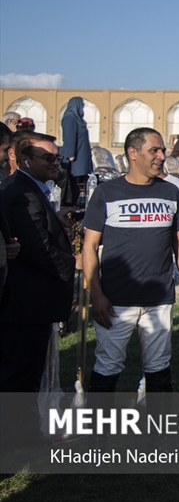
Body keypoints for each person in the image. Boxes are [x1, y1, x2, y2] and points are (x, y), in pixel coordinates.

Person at [82, 127, 179, 407]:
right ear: (132, 153)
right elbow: (88, 248)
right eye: (154, 150)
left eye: (162, 150)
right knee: (107, 367)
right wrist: (95, 295)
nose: (162, 156)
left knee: (159, 368)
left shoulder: (171, 192)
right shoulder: (107, 192)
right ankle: (99, 438)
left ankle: (158, 437)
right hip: (115, 300)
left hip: (159, 299)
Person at [0, 131, 74, 396]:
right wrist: (73, 266)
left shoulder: (31, 190)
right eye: (48, 157)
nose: (56, 162)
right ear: (24, 159)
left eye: (58, 156)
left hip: (30, 306)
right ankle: (18, 436)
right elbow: (37, 248)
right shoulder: (22, 193)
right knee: (20, 380)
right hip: (24, 306)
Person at [60, 96, 93, 206]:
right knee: (73, 183)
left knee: (80, 183)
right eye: (82, 105)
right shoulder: (69, 118)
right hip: (74, 159)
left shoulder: (78, 120)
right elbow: (69, 137)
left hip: (81, 156)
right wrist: (70, 155)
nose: (83, 107)